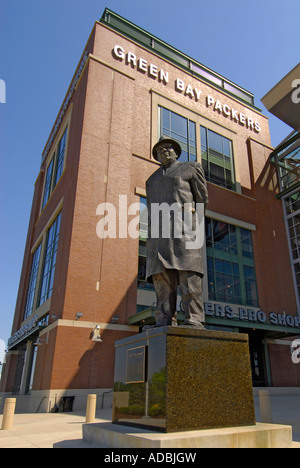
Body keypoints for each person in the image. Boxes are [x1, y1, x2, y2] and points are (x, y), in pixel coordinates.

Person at [146, 136, 208, 328]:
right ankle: (164, 320)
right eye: (161, 150)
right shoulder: (151, 180)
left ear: (176, 152)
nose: (165, 151)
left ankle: (195, 318)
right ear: (156, 155)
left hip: (184, 229)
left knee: (189, 276)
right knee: (162, 281)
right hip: (159, 233)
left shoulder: (191, 167)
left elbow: (202, 200)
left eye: (169, 148)